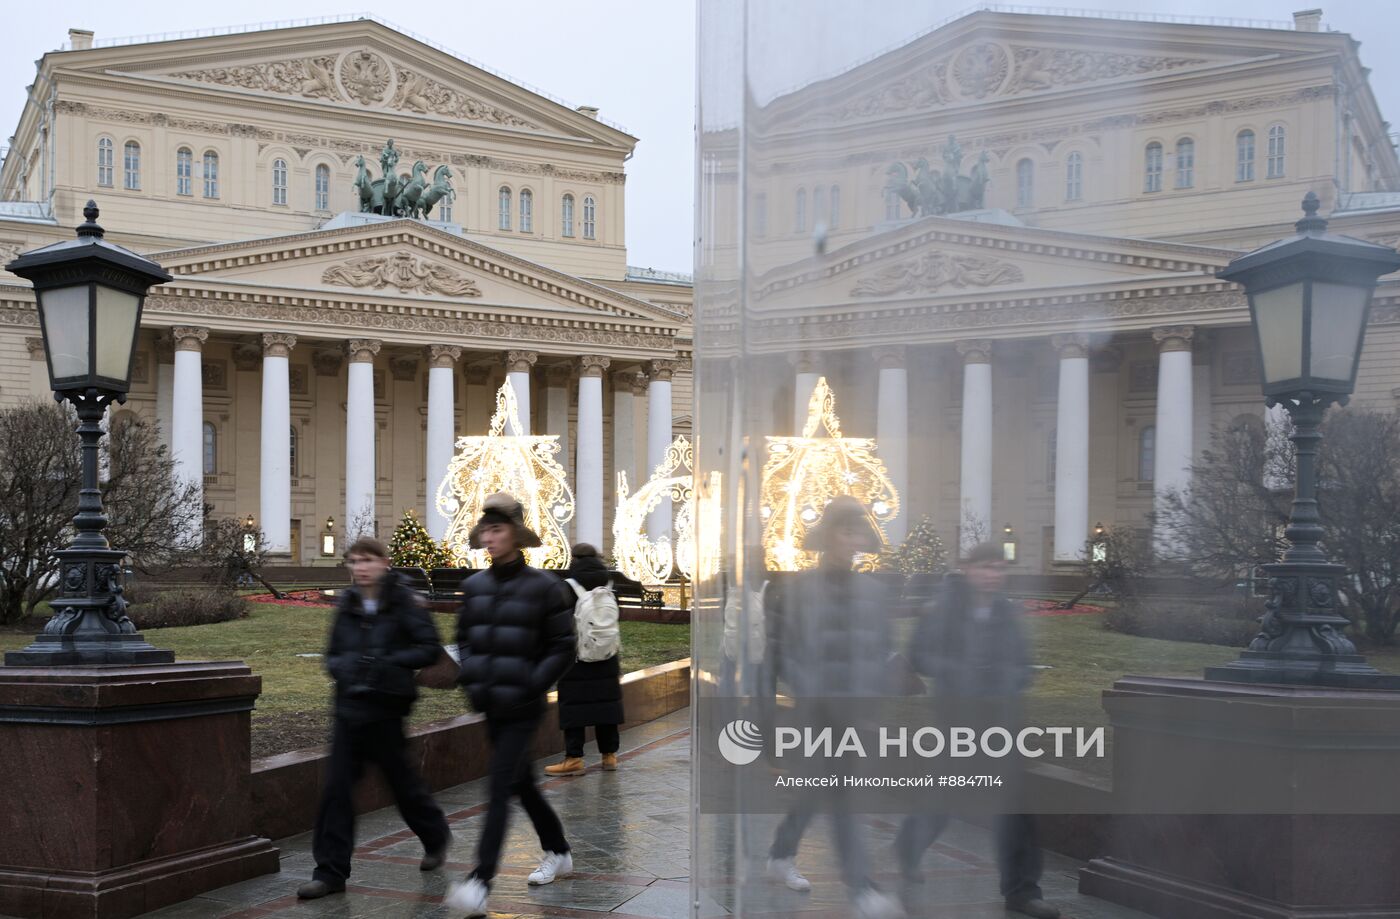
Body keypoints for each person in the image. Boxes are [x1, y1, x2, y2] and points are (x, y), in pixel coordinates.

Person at [897, 543, 1060, 919]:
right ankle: (909, 848)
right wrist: (958, 673)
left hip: (1001, 724)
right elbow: (918, 655)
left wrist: (1011, 678)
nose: (993, 575)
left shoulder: (1006, 611)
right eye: (986, 567)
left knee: (1015, 808)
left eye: (999, 568)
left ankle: (1022, 891)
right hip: (957, 720)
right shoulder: (943, 608)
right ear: (967, 568)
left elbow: (1022, 662)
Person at [763, 496, 905, 919]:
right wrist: (814, 692)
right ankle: (862, 888)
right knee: (842, 798)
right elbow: (781, 652)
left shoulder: (873, 592)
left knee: (818, 789)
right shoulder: (800, 589)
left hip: (855, 715)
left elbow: (884, 650)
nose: (853, 539)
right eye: (845, 530)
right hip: (816, 713)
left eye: (858, 531)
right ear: (828, 535)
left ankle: (780, 854)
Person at [445, 493, 577, 918]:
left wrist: (532, 684)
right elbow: (464, 638)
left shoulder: (545, 587)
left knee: (499, 788)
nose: (490, 537)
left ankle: (479, 882)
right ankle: (558, 850)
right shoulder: (475, 587)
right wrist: (473, 678)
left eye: (498, 529)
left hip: (523, 706)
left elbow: (563, 647)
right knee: (522, 784)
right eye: (486, 529)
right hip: (491, 704)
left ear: (516, 536)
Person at [296, 537, 451, 900]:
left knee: (402, 785)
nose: (360, 567)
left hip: (386, 707)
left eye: (367, 560)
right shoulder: (348, 604)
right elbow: (332, 655)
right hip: (349, 708)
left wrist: (388, 661)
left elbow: (429, 648)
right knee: (336, 791)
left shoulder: (405, 602)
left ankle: (435, 835)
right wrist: (347, 669)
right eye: (354, 561)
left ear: (385, 563)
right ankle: (330, 872)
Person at [544, 543, 625, 776]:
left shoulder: (567, 586)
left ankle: (574, 759)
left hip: (576, 657)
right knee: (606, 706)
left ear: (574, 559)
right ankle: (609, 756)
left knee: (574, 707)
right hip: (607, 655)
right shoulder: (609, 583)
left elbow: (559, 620)